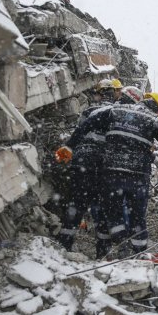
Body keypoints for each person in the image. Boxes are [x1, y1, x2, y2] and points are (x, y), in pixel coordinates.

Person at [64, 92, 158, 258]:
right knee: (138, 216)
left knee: (114, 212)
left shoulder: (115, 110)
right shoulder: (152, 119)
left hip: (112, 173)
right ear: (157, 110)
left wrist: (69, 146)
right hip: (138, 175)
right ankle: (140, 253)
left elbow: (88, 124)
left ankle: (120, 246)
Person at [53, 79, 116, 251]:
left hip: (81, 161)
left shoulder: (88, 111)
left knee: (76, 203)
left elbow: (79, 132)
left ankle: (65, 244)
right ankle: (103, 248)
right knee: (103, 207)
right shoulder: (116, 112)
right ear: (113, 95)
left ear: (99, 95)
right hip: (103, 163)